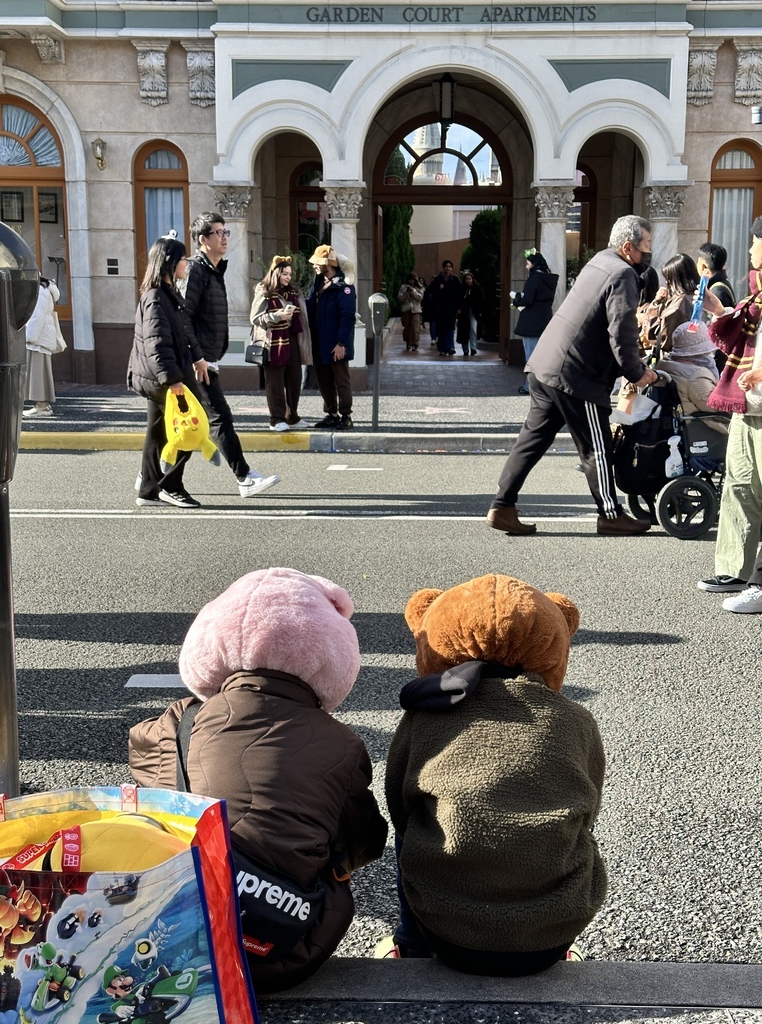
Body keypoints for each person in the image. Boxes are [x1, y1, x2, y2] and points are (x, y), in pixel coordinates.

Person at [129, 567, 388, 992]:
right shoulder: (344, 744)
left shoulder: (181, 721)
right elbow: (365, 841)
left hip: (168, 932)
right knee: (333, 861)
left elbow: (143, 760)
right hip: (283, 952)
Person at [382, 574, 606, 971]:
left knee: (413, 828)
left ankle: (411, 946)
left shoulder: (424, 714)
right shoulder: (575, 719)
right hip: (549, 937)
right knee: (572, 829)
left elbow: (398, 805)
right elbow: (589, 806)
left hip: (444, 929)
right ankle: (562, 943)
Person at [487, 214, 658, 536]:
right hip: (577, 375)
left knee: (532, 440)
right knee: (597, 446)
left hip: (546, 366)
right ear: (627, 247)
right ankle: (610, 514)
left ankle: (502, 505)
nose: (649, 253)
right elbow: (621, 329)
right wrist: (636, 372)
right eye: (645, 246)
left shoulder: (600, 261)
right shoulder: (623, 273)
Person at [180, 211, 280, 497]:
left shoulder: (213, 270)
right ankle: (245, 477)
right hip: (196, 361)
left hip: (205, 358)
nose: (224, 238)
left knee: (185, 424)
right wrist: (197, 357)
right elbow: (184, 318)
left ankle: (150, 479)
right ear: (203, 240)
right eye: (218, 233)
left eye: (226, 232)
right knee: (219, 417)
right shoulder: (196, 270)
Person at [696, 215, 762, 612]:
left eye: (756, 243)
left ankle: (758, 581)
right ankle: (735, 570)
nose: (751, 250)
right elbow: (737, 338)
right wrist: (720, 310)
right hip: (749, 405)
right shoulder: (756, 295)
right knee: (739, 486)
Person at [127, 236, 201, 508]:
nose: (187, 264)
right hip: (163, 379)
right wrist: (172, 381)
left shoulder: (165, 293)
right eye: (184, 259)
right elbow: (156, 343)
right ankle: (169, 485)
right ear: (170, 262)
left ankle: (148, 489)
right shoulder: (156, 297)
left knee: (158, 433)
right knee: (189, 429)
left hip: (160, 377)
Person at [250, 255, 312, 432]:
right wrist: (278, 316)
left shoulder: (292, 292)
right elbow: (255, 318)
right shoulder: (264, 291)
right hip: (273, 340)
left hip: (291, 338)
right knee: (275, 381)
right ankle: (276, 419)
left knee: (294, 378)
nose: (288, 277)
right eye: (285, 274)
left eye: (290, 274)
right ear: (276, 273)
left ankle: (291, 415)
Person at [306, 244, 357, 430]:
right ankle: (331, 414)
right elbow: (310, 306)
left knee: (341, 380)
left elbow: (347, 317)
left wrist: (341, 343)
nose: (314, 266)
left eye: (317, 263)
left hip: (336, 343)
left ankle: (346, 416)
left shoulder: (345, 287)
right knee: (324, 380)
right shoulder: (319, 282)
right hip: (320, 342)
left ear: (329, 263)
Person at [655, 321, 726, 431]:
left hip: (676, 425)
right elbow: (717, 408)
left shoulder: (665, 364)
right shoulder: (697, 376)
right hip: (705, 430)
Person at [510, 250, 559, 393]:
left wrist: (517, 299)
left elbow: (528, 299)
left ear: (534, 264)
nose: (526, 266)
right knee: (542, 356)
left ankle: (530, 386)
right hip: (544, 319)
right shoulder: (550, 279)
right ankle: (539, 386)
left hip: (531, 321)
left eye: (528, 263)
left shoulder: (534, 278)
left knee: (530, 357)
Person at [643, 252, 700, 353]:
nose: (667, 283)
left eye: (668, 279)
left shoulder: (678, 305)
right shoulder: (700, 297)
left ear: (676, 280)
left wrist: (656, 304)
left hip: (676, 358)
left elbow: (656, 337)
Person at [23, 276, 64, 417]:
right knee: (39, 373)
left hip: (38, 339)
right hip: (41, 338)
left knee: (38, 374)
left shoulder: (39, 291)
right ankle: (41, 405)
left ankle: (42, 406)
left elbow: (37, 316)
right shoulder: (43, 290)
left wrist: (29, 337)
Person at [423, 259, 461, 357]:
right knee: (441, 329)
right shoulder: (438, 280)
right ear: (443, 268)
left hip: (451, 308)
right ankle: (442, 348)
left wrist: (458, 307)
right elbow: (428, 292)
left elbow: (459, 295)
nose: (447, 268)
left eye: (449, 266)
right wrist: (438, 289)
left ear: (452, 268)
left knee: (451, 328)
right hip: (440, 309)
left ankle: (450, 347)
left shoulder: (455, 280)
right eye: (446, 266)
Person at [697, 242, 736, 310]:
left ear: (704, 267)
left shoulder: (717, 291)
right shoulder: (720, 283)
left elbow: (721, 319)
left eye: (698, 262)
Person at [456, 271, 484, 357]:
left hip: (473, 312)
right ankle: (465, 349)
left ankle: (473, 348)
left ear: (472, 279)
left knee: (473, 329)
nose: (468, 281)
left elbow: (481, 300)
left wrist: (478, 310)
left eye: (470, 279)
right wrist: (459, 308)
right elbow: (458, 299)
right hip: (463, 313)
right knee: (464, 330)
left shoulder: (477, 288)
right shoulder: (461, 289)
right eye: (467, 279)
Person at [398, 272, 424, 351]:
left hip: (416, 310)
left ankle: (415, 343)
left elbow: (420, 298)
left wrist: (413, 291)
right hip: (406, 309)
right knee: (407, 327)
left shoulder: (419, 288)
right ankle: (408, 342)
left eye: (412, 280)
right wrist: (406, 292)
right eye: (409, 280)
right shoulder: (403, 287)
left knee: (415, 327)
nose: (410, 282)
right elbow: (400, 298)